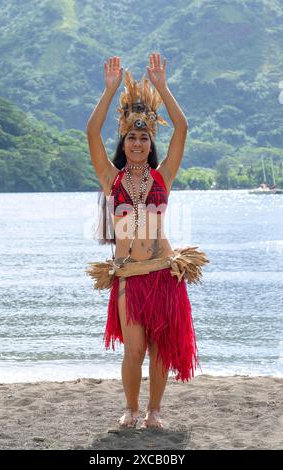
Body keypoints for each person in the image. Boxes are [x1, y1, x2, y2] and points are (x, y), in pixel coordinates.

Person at [85, 53, 209, 429]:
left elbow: (183, 128)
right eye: (130, 137)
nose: (137, 143)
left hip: (164, 273)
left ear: (149, 141)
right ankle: (131, 408)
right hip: (129, 275)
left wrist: (162, 87)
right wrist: (108, 92)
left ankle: (154, 411)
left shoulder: (162, 177)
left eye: (143, 137)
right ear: (123, 142)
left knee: (159, 351)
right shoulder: (113, 180)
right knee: (134, 349)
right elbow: (91, 133)